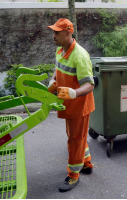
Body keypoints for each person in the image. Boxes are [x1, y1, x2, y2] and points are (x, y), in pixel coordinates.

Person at [47, 18, 95, 192]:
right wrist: (52, 80)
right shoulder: (60, 50)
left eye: (57, 33)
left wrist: (73, 93)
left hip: (79, 106)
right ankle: (87, 164)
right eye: (53, 32)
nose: (53, 36)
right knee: (78, 137)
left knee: (75, 140)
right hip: (68, 105)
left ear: (68, 33)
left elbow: (90, 84)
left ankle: (73, 176)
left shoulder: (79, 55)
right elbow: (58, 69)